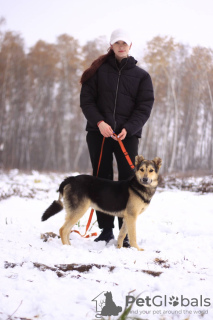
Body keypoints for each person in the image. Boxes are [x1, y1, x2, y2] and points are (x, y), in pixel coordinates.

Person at [80, 28, 154, 246]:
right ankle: (105, 230)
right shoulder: (98, 71)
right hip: (99, 134)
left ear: (130, 46)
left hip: (126, 136)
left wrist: (129, 128)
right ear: (111, 46)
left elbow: (144, 107)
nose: (121, 46)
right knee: (101, 179)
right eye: (117, 42)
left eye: (125, 43)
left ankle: (126, 232)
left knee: (127, 181)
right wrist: (100, 123)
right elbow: (87, 101)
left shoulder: (142, 76)